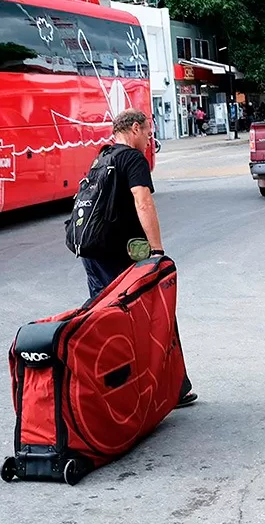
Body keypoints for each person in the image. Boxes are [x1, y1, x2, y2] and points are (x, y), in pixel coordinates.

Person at [81, 109, 198, 407]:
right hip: (121, 254)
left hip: (93, 251)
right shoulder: (132, 158)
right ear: (134, 128)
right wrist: (157, 250)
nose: (148, 140)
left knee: (105, 318)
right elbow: (143, 202)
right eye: (147, 133)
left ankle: (114, 389)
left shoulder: (102, 156)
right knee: (152, 313)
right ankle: (171, 387)